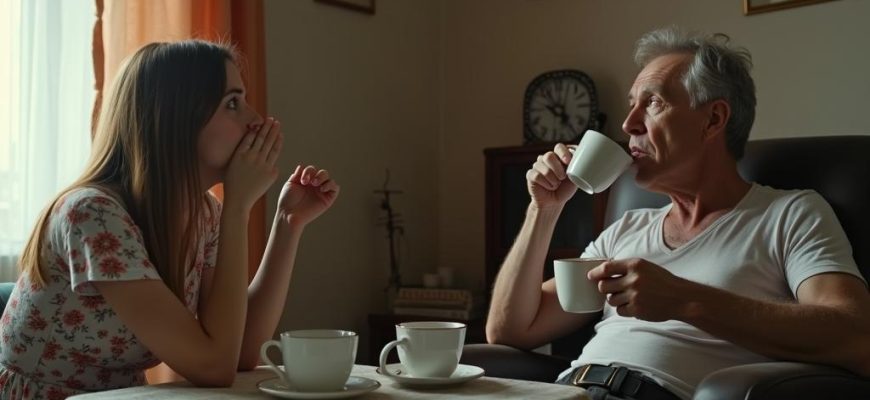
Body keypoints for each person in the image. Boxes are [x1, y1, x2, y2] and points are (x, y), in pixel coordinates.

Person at [486, 26, 870, 400]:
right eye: (631, 104)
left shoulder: (789, 215)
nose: (628, 124)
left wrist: (684, 300)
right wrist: (544, 209)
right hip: (568, 390)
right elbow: (509, 330)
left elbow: (857, 336)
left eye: (653, 102)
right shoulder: (626, 229)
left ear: (713, 120)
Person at [0, 40, 340, 399]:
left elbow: (241, 351)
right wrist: (239, 206)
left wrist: (287, 223)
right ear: (175, 119)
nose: (256, 120)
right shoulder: (93, 215)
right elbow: (214, 367)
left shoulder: (203, 213)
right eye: (232, 103)